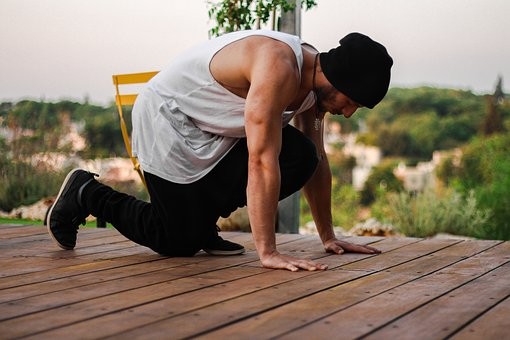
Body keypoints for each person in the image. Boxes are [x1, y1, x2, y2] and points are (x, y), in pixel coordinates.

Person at [47, 29, 393, 272]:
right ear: (339, 81)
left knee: (301, 155)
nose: (348, 113)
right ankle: (87, 193)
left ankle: (202, 225)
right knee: (176, 241)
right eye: (353, 103)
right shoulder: (278, 66)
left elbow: (316, 163)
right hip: (169, 121)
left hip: (216, 130)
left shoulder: (313, 88)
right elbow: (260, 161)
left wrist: (328, 236)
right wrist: (268, 252)